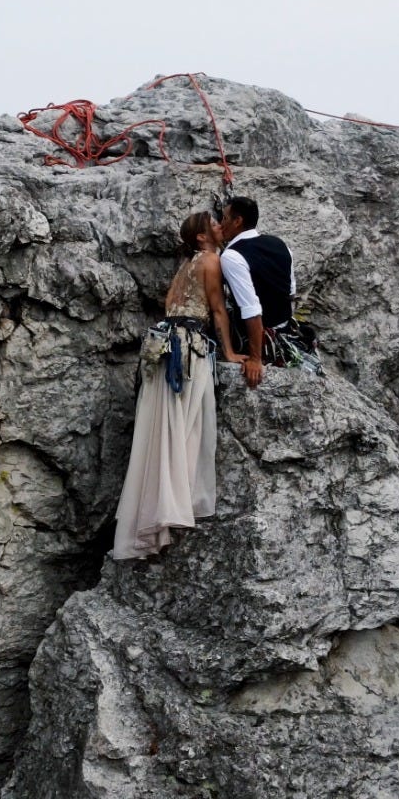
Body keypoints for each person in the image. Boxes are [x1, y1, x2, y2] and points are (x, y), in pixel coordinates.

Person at [111, 211, 245, 560]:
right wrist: (229, 351)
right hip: (186, 350)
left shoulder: (188, 265)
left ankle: (157, 515)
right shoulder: (211, 261)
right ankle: (170, 508)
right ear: (202, 237)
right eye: (214, 223)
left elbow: (171, 304)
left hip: (165, 344)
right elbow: (217, 311)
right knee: (185, 427)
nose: (220, 226)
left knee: (162, 430)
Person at [218, 196, 298, 389]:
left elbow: (251, 309)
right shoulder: (280, 244)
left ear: (238, 221)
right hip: (287, 333)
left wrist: (256, 358)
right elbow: (291, 293)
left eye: (225, 218)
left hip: (261, 340)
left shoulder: (231, 256)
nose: (221, 224)